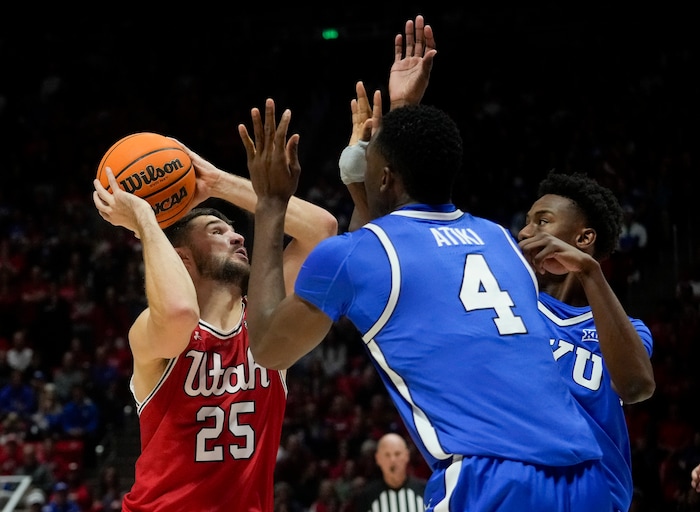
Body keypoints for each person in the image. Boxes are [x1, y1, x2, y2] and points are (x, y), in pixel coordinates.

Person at [242, 40, 611, 512]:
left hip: (493, 479)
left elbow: (270, 350)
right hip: (586, 476)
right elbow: (386, 248)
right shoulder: (501, 239)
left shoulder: (357, 256)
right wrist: (399, 115)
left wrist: (272, 203)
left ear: (385, 178)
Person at [91, 110, 337, 510]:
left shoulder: (267, 321)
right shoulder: (151, 328)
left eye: (232, 229)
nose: (238, 235)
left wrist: (218, 183)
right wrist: (144, 220)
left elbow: (322, 230)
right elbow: (178, 313)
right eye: (217, 232)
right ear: (182, 258)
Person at [517, 170, 656, 512]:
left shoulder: (626, 328)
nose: (525, 231)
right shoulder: (507, 304)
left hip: (594, 492)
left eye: (542, 221)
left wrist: (589, 271)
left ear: (583, 239)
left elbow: (636, 386)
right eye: (526, 221)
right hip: (518, 484)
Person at [350, 432, 425, 512]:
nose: (393, 460)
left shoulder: (424, 491)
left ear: (406, 456)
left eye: (397, 454)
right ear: (378, 458)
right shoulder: (367, 497)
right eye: (387, 455)